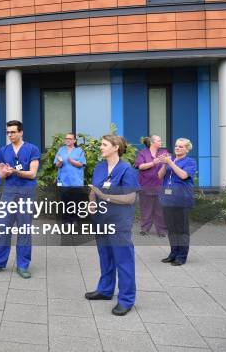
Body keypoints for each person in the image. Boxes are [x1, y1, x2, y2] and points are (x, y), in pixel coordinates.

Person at [86, 135, 139, 316]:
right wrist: (92, 201)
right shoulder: (100, 167)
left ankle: (126, 299)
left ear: (116, 147)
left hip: (119, 222)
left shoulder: (127, 170)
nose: (100, 147)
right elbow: (93, 189)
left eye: (104, 145)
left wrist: (105, 197)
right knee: (105, 257)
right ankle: (105, 290)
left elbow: (131, 198)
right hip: (101, 220)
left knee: (123, 260)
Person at [0, 120, 40, 279]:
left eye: (13, 132)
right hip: (8, 193)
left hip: (26, 193)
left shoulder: (32, 149)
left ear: (21, 132)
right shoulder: (3, 150)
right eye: (8, 132)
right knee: (3, 228)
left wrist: (14, 171)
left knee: (24, 229)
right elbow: (1, 175)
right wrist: (6, 172)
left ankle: (22, 265)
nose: (10, 135)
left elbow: (32, 174)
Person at [158, 138, 197, 266]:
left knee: (181, 229)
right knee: (172, 228)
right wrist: (165, 163)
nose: (177, 148)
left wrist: (170, 162)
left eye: (181, 146)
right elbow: (160, 176)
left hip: (182, 200)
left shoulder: (190, 161)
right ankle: (173, 253)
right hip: (168, 199)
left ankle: (181, 256)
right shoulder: (170, 160)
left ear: (187, 149)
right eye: (176, 146)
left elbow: (183, 175)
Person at [135, 135, 169, 237]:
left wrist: (166, 161)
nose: (161, 142)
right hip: (146, 185)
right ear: (152, 142)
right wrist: (153, 163)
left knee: (160, 209)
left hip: (161, 185)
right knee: (146, 208)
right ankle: (144, 228)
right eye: (159, 140)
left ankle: (162, 230)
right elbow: (140, 166)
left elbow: (170, 162)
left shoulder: (164, 152)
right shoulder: (143, 153)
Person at [54, 133, 87, 224]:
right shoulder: (61, 150)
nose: (67, 140)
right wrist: (60, 162)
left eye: (70, 138)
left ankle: (75, 219)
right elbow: (57, 165)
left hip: (76, 181)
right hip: (64, 181)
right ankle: (66, 220)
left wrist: (71, 161)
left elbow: (81, 164)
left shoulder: (79, 151)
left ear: (74, 141)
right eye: (66, 138)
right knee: (65, 201)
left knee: (76, 201)